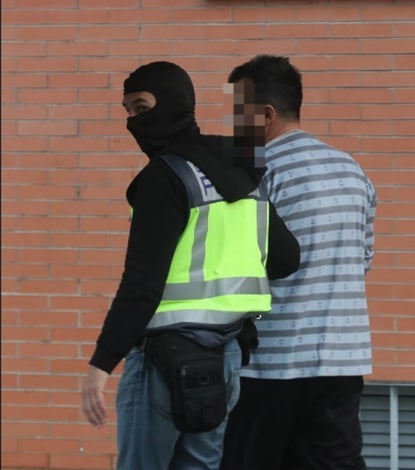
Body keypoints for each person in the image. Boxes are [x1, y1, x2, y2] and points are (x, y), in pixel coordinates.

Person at [81, 61, 300, 470]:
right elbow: (287, 258)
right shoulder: (239, 169)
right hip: (227, 356)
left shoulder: (163, 178)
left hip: (163, 362)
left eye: (142, 107)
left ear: (174, 102)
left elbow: (142, 283)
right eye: (128, 111)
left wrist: (101, 363)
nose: (133, 122)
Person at [220, 55, 377, 470]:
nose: (234, 124)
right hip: (343, 362)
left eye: (239, 112)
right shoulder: (352, 170)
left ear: (266, 113)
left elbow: (240, 263)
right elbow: (362, 259)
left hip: (272, 364)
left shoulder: (257, 170)